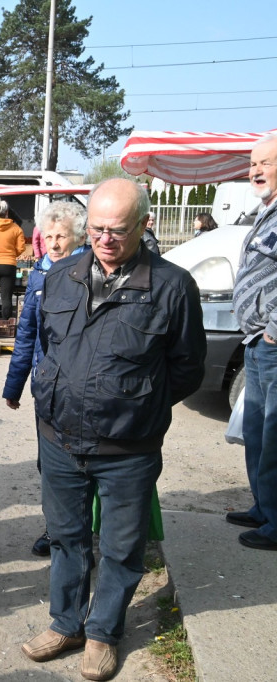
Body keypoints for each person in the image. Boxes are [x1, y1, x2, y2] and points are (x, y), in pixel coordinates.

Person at [23, 178, 205, 681]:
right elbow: (49, 345)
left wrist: (135, 407)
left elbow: (187, 368)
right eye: (97, 228)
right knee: (66, 537)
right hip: (59, 439)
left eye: (118, 231)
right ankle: (66, 624)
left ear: (143, 225)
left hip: (129, 448)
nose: (105, 239)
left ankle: (103, 632)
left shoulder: (172, 286)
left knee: (122, 547)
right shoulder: (61, 276)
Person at [1, 202, 87, 557]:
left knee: (82, 463)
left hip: (82, 387)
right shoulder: (39, 274)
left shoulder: (91, 272)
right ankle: (56, 530)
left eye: (61, 236)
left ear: (79, 237)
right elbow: (26, 334)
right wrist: (14, 385)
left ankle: (84, 533)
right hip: (46, 386)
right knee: (49, 461)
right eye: (48, 236)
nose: (54, 243)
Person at [229, 133, 277, 551]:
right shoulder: (267, 212)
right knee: (257, 430)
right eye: (252, 163)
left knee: (274, 434)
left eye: (266, 163)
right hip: (257, 340)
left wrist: (275, 327)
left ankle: (276, 522)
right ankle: (265, 507)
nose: (256, 171)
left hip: (273, 341)